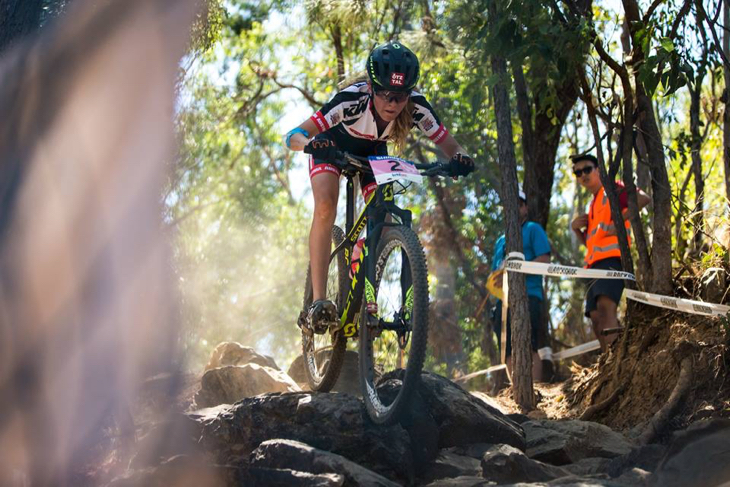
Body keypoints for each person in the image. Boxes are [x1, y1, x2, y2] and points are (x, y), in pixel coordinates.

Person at [284, 41, 475, 328]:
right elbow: (293, 136)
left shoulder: (416, 107)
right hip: (333, 147)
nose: (393, 104)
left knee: (384, 217)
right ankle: (319, 303)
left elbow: (451, 145)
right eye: (385, 94)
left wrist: (462, 159)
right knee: (325, 206)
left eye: (400, 96)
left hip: (374, 153)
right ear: (371, 88)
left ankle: (362, 252)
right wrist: (312, 144)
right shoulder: (351, 100)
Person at [570, 154, 650, 350]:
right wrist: (575, 229)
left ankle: (616, 360)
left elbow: (643, 199)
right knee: (596, 318)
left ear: (598, 170)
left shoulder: (611, 189)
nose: (583, 175)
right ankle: (610, 359)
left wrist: (619, 224)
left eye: (587, 169)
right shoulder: (592, 204)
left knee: (606, 310)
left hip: (612, 261)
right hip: (593, 267)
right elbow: (591, 242)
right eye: (578, 172)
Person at [490, 187, 551, 381]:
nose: (514, 209)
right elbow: (495, 273)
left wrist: (517, 271)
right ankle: (518, 393)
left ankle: (537, 394)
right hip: (504, 302)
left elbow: (545, 260)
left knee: (529, 344)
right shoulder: (500, 241)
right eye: (509, 205)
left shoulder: (533, 229)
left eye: (518, 204)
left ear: (525, 207)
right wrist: (498, 278)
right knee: (507, 349)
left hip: (529, 295)